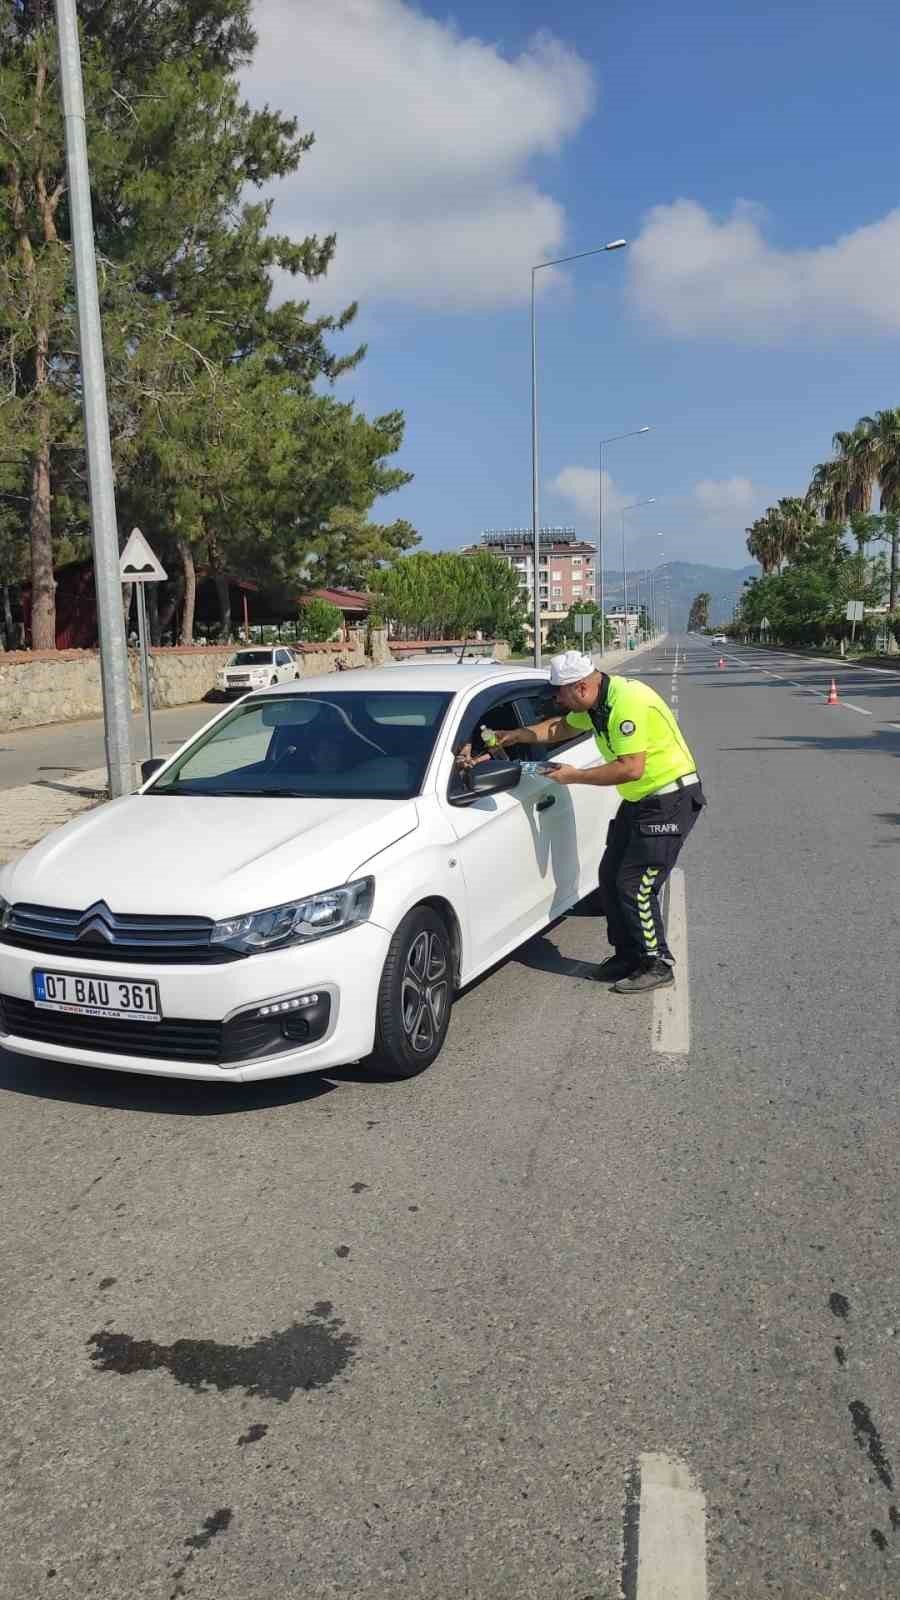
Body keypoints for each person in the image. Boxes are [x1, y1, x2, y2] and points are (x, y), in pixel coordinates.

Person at [478, 650, 705, 994]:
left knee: (635, 884)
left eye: (560, 693)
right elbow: (559, 727)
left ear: (581, 687)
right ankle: (627, 956)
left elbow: (631, 767)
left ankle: (657, 962)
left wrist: (575, 776)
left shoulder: (626, 703)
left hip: (668, 799)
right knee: (609, 877)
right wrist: (514, 736)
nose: (557, 699)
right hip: (640, 799)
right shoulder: (597, 705)